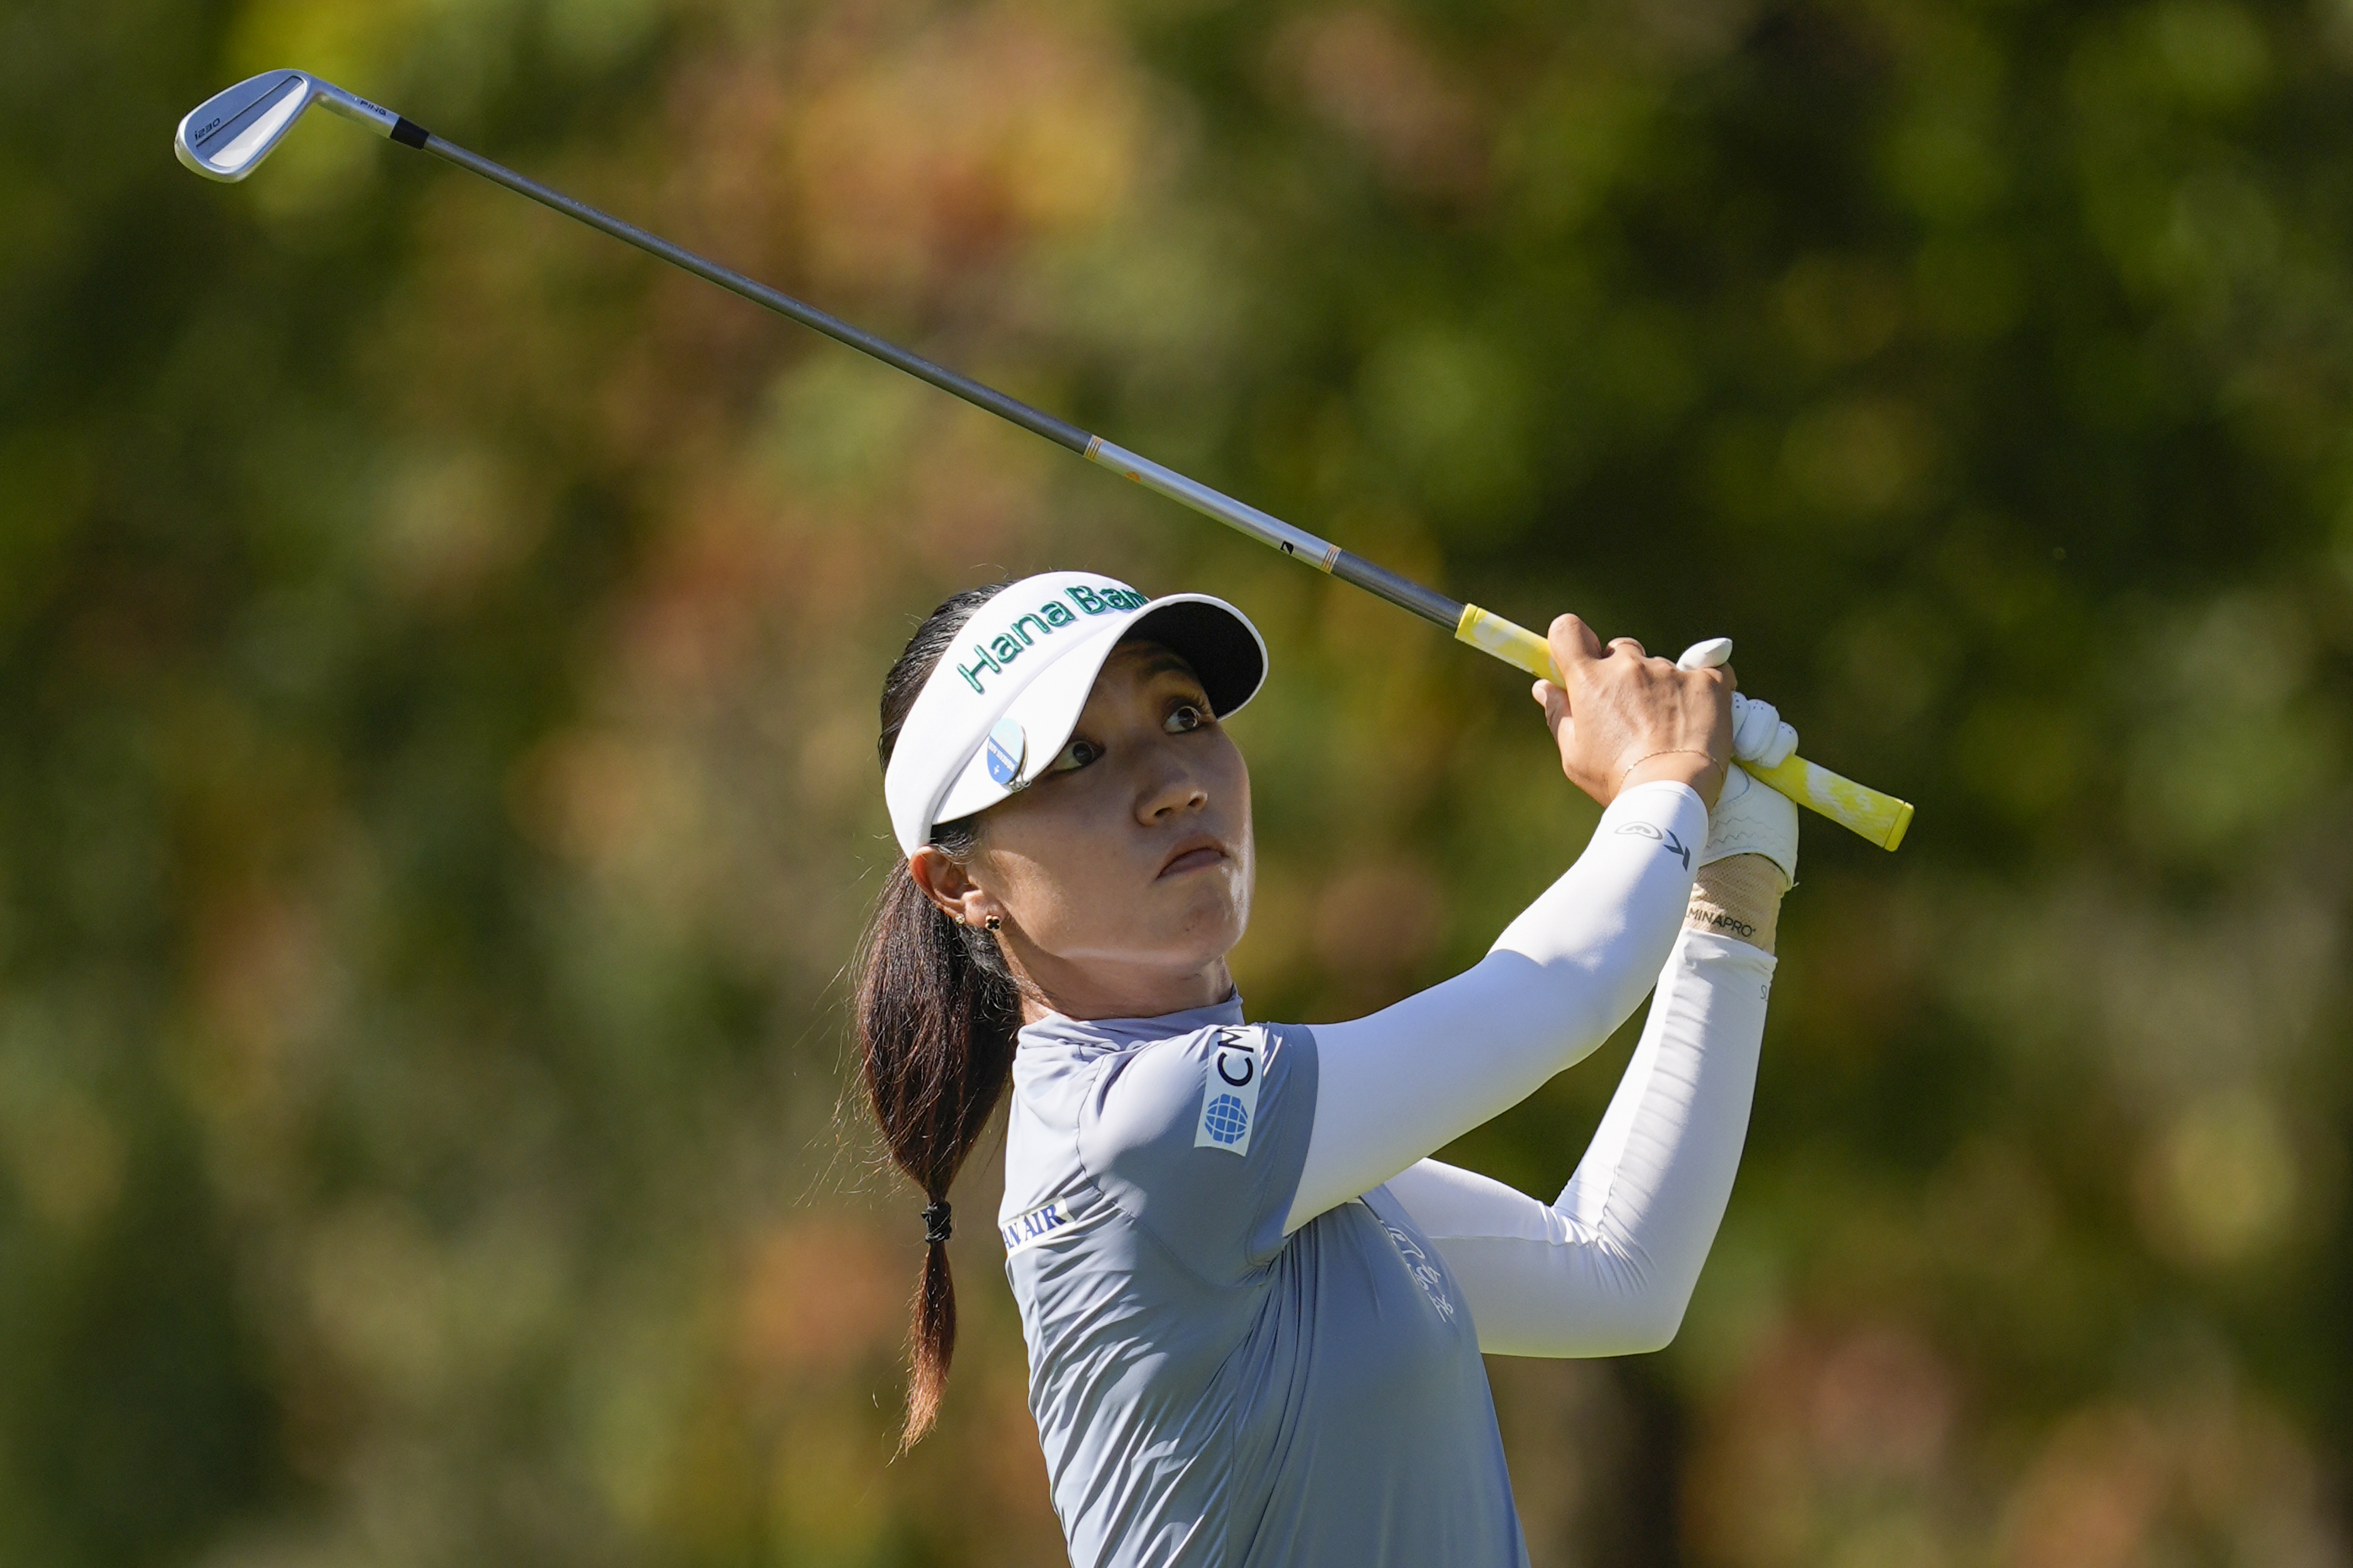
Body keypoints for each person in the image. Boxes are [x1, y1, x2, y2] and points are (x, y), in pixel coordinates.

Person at [855, 569, 1800, 1567]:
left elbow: (1617, 1277)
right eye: (1078, 754)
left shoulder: (1260, 1154)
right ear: (959, 882)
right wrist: (1661, 781)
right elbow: (1558, 992)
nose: (1173, 780)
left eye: (1183, 713)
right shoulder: (1144, 1129)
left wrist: (1729, 884)